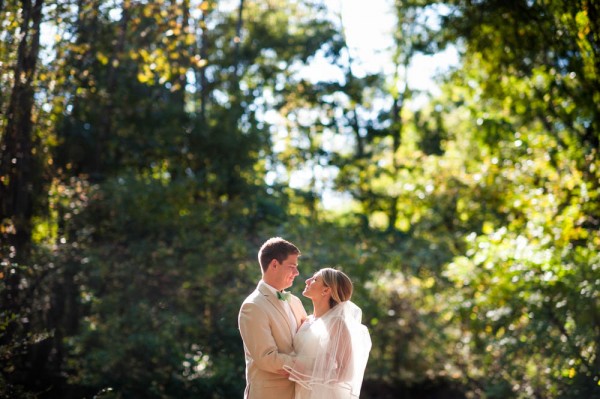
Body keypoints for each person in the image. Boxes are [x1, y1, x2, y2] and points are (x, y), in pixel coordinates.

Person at [283, 268, 371, 399]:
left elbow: (347, 372)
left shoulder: (337, 324)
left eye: (314, 279)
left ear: (326, 290)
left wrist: (304, 373)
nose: (307, 281)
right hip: (300, 392)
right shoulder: (307, 320)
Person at [238, 237, 308, 399]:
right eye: (292, 267)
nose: (297, 273)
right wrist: (308, 367)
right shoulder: (253, 306)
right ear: (274, 264)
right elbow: (266, 357)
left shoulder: (295, 301)